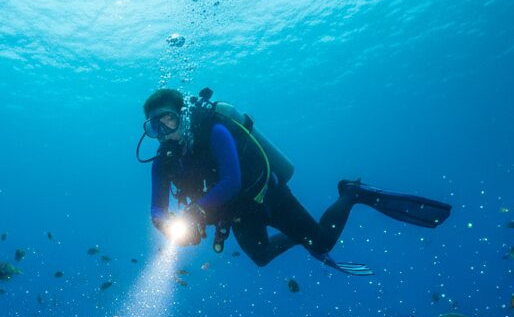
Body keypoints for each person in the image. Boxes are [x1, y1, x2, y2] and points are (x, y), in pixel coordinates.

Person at [140, 87, 451, 275]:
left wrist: (194, 212)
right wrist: (168, 226)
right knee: (261, 257)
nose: (164, 132)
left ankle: (351, 193)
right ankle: (299, 235)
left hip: (267, 195)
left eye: (168, 120)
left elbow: (232, 181)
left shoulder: (215, 130)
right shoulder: (164, 161)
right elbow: (157, 209)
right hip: (236, 213)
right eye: (155, 127)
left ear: (182, 114)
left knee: (322, 244)